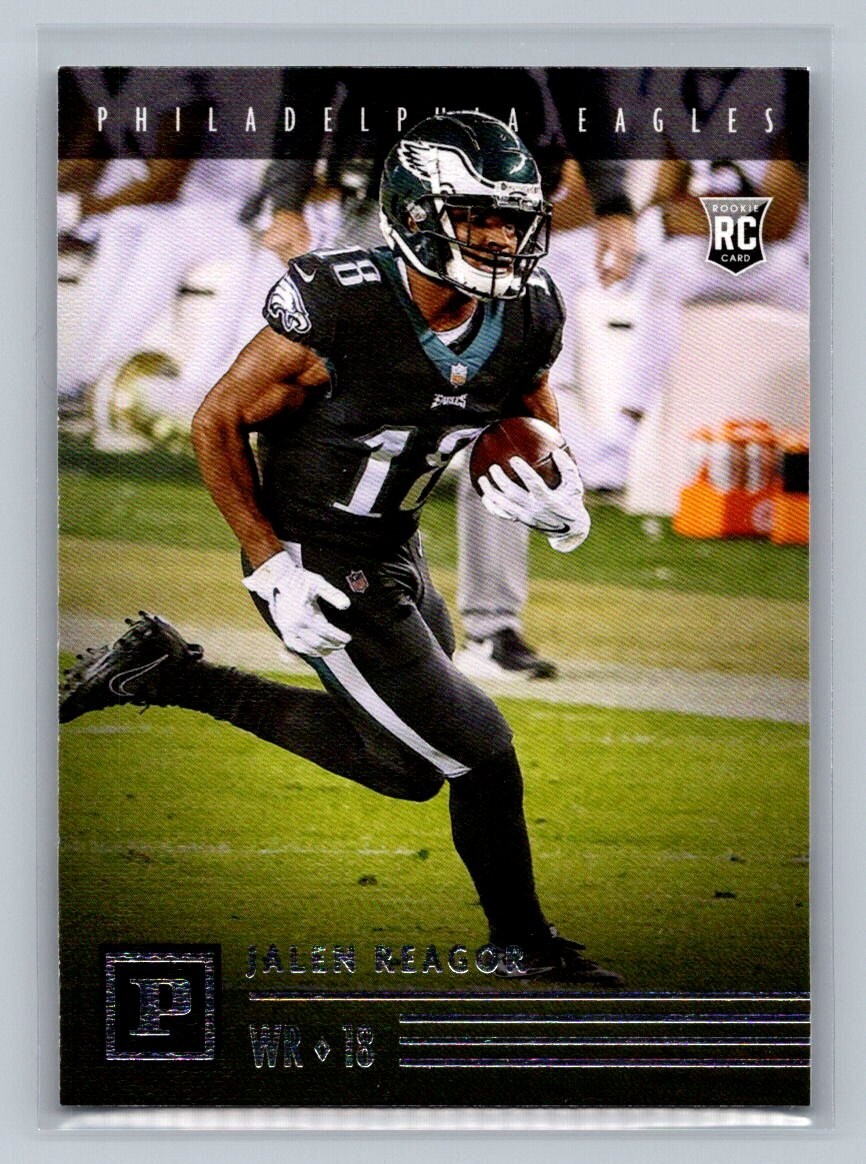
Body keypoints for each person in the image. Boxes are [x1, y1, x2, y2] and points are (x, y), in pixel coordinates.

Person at [60, 111, 622, 986]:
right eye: (477, 217)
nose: (499, 237)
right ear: (416, 214)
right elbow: (217, 418)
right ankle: (522, 943)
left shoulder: (528, 310)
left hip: (397, 548)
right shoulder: (342, 299)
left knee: (406, 765)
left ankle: (170, 674)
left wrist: (561, 482)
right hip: (315, 560)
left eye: (512, 219)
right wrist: (269, 561)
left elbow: (527, 404)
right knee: (478, 747)